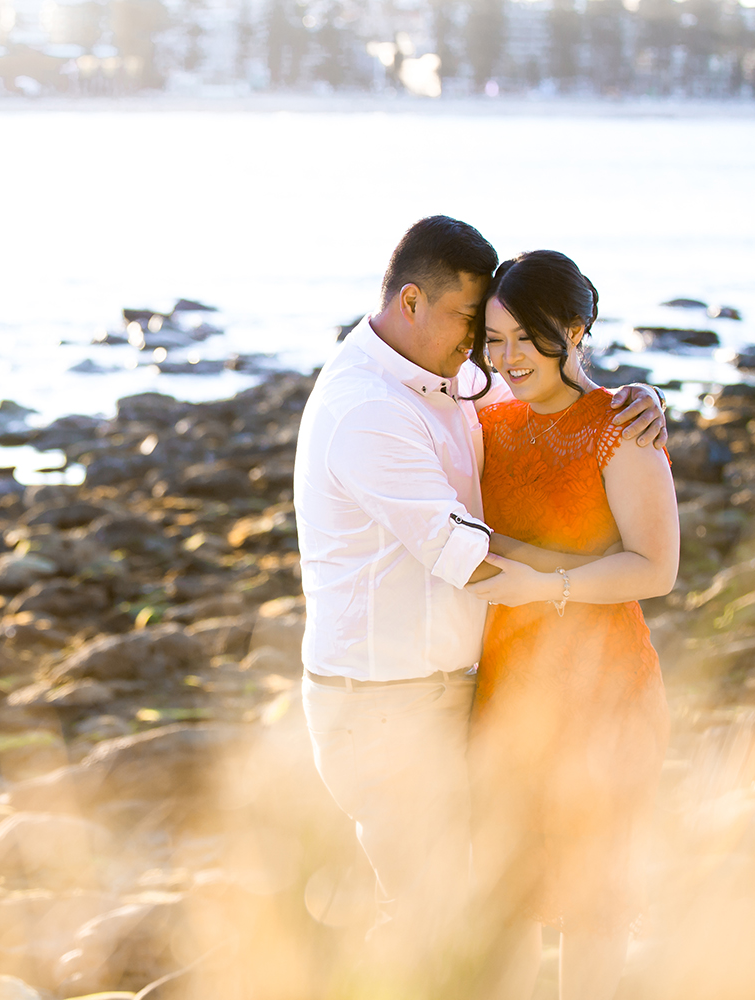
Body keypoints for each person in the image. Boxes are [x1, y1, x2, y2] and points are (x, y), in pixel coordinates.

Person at [294, 216, 668, 995]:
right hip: (392, 702)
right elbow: (465, 552)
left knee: (548, 901)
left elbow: (555, 386)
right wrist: (572, 579)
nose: (487, 353)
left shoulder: (454, 384)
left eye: (497, 333)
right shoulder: (372, 408)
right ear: (410, 302)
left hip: (513, 688)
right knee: (451, 916)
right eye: (477, 326)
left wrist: (635, 397)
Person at [463, 251, 678, 1000]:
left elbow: (656, 567)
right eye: (494, 339)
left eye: (528, 337)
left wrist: (541, 582)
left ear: (576, 330)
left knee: (591, 902)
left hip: (602, 689)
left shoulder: (620, 425)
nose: (509, 357)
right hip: (508, 685)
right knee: (511, 891)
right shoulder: (484, 423)